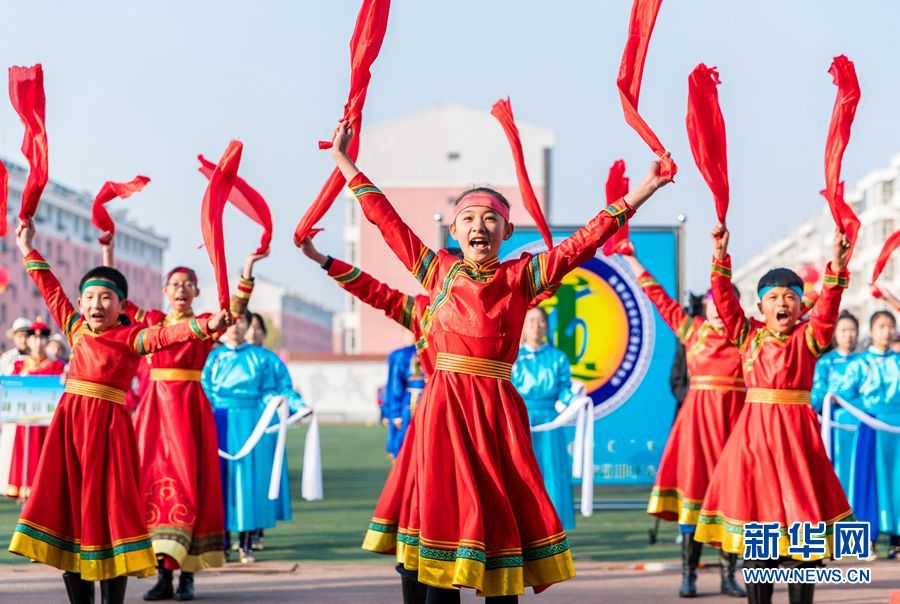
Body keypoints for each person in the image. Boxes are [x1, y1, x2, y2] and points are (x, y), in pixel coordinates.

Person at [329, 119, 669, 599]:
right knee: (437, 527)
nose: (478, 227)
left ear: (507, 230)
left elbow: (587, 238)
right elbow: (387, 223)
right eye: (468, 219)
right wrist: (345, 162)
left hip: (496, 415)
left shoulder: (521, 278)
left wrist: (647, 187)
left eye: (489, 219)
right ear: (454, 229)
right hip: (442, 414)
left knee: (499, 526)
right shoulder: (437, 271)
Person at [7, 218, 232, 604]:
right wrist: (29, 249)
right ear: (80, 304)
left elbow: (167, 334)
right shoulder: (75, 329)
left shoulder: (132, 338)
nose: (97, 304)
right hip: (70, 435)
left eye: (106, 298)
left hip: (111, 437)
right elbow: (51, 289)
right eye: (90, 297)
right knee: (71, 517)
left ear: (121, 305)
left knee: (112, 518)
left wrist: (207, 324)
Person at [694, 225, 853, 604]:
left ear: (800, 306)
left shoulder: (808, 338)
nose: (782, 303)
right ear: (761, 306)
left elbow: (829, 308)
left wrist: (838, 265)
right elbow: (725, 304)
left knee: (803, 541)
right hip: (755, 447)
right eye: (773, 297)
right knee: (759, 539)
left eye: (790, 297)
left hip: (798, 445)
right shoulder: (748, 336)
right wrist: (719, 257)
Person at [101, 236, 263, 601]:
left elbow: (235, 311)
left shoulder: (207, 324)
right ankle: (162, 576)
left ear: (196, 291)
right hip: (154, 413)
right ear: (165, 290)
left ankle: (186, 578)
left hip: (189, 410)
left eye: (188, 284)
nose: (181, 289)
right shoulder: (153, 320)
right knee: (148, 484)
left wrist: (248, 268)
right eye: (175, 284)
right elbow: (115, 297)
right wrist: (109, 252)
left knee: (190, 485)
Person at [300, 236, 433, 604]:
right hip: (425, 426)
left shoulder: (500, 297)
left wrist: (612, 214)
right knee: (418, 511)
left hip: (477, 424)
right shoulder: (423, 311)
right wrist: (324, 260)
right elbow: (374, 290)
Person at [622, 252, 747, 599]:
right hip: (696, 428)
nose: (719, 311)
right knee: (692, 500)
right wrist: (632, 260)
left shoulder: (747, 338)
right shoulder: (692, 332)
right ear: (705, 308)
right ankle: (689, 575)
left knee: (731, 503)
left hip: (735, 428)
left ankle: (727, 575)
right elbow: (657, 296)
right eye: (713, 304)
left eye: (726, 304)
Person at [202, 309, 304, 565]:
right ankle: (222, 542)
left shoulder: (263, 358)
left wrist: (295, 405)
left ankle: (246, 543)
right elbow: (203, 391)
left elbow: (275, 390)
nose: (235, 327)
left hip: (252, 425)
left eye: (241, 322)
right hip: (219, 423)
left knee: (247, 484)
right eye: (231, 322)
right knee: (221, 483)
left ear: (248, 325)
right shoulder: (212, 358)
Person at [835, 310, 899, 559]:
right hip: (870, 432)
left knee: (896, 485)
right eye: (882, 326)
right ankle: (865, 541)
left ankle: (896, 541)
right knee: (864, 484)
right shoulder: (859, 364)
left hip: (897, 433)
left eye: (891, 325)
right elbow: (838, 394)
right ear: (871, 331)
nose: (887, 330)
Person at [511, 307, 576, 532]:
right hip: (521, 419)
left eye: (540, 321)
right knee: (521, 472)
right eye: (530, 321)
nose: (535, 326)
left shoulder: (557, 357)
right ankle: (521, 526)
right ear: (523, 327)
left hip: (550, 420)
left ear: (547, 326)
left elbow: (565, 388)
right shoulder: (514, 357)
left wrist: (569, 401)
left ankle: (553, 527)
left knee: (551, 471)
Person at [6, 318, 66, 500]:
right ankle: (25, 492)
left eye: (42, 339)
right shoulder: (19, 366)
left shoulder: (57, 367)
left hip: (48, 422)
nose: (38, 343)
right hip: (26, 422)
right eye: (34, 339)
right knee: (26, 454)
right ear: (29, 341)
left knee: (46, 454)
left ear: (47, 341)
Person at [811, 311, 860, 502]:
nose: (849, 334)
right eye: (844, 330)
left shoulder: (864, 360)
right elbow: (818, 393)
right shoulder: (825, 363)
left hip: (863, 425)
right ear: (835, 333)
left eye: (852, 330)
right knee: (837, 467)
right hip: (835, 425)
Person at [384, 342, 421, 458]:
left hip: (430, 401)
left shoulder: (434, 351)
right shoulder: (403, 355)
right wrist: (395, 413)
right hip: (410, 404)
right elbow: (395, 385)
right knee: (405, 443)